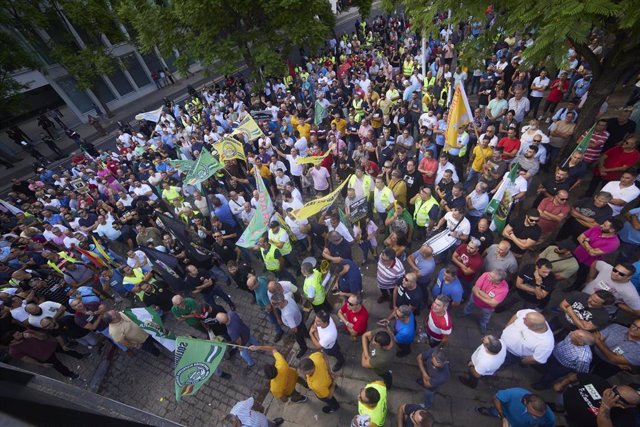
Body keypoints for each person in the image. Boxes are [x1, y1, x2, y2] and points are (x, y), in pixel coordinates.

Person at [553, 373, 640, 427]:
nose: (611, 396)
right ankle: (559, 409)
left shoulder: (627, 418)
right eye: (614, 391)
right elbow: (576, 376)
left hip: (577, 422)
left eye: (619, 399)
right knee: (558, 404)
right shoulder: (598, 381)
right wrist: (562, 383)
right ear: (614, 386)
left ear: (631, 405)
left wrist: (605, 406)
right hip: (564, 400)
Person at [1, 329, 85, 379]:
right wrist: (41, 364)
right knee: (59, 366)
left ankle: (81, 356)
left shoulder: (27, 332)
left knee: (68, 350)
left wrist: (34, 335)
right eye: (18, 334)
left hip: (51, 345)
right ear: (12, 341)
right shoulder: (13, 351)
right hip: (45, 357)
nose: (21, 333)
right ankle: (70, 374)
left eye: (19, 332)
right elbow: (26, 359)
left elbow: (44, 337)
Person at [570, 220, 622, 290]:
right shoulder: (597, 228)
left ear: (612, 230)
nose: (601, 225)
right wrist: (589, 248)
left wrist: (585, 242)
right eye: (603, 223)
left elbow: (592, 253)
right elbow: (579, 238)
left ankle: (574, 287)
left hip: (588, 262)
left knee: (581, 276)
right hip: (577, 253)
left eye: (604, 226)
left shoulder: (614, 243)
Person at [459, 270, 509, 334]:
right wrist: (488, 298)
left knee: (486, 316)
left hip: (487, 307)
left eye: (491, 277)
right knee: (469, 305)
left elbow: (493, 304)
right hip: (474, 299)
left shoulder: (504, 289)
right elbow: (475, 288)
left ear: (497, 281)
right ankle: (465, 312)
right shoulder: (486, 274)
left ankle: (483, 324)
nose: (488, 277)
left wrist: (479, 294)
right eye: (490, 275)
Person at [476, 389, 555, 427]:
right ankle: (489, 411)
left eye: (539, 416)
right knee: (494, 411)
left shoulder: (550, 417)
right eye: (533, 414)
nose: (535, 417)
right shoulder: (516, 393)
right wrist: (503, 417)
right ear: (525, 402)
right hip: (504, 413)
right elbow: (496, 398)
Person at [270, 292, 309, 359]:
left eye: (275, 304)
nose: (273, 305)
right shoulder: (286, 296)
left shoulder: (287, 314)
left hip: (296, 324)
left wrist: (294, 331)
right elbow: (291, 293)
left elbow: (294, 328)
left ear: (280, 302)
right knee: (304, 328)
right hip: (299, 317)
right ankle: (307, 335)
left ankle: (304, 348)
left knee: (299, 338)